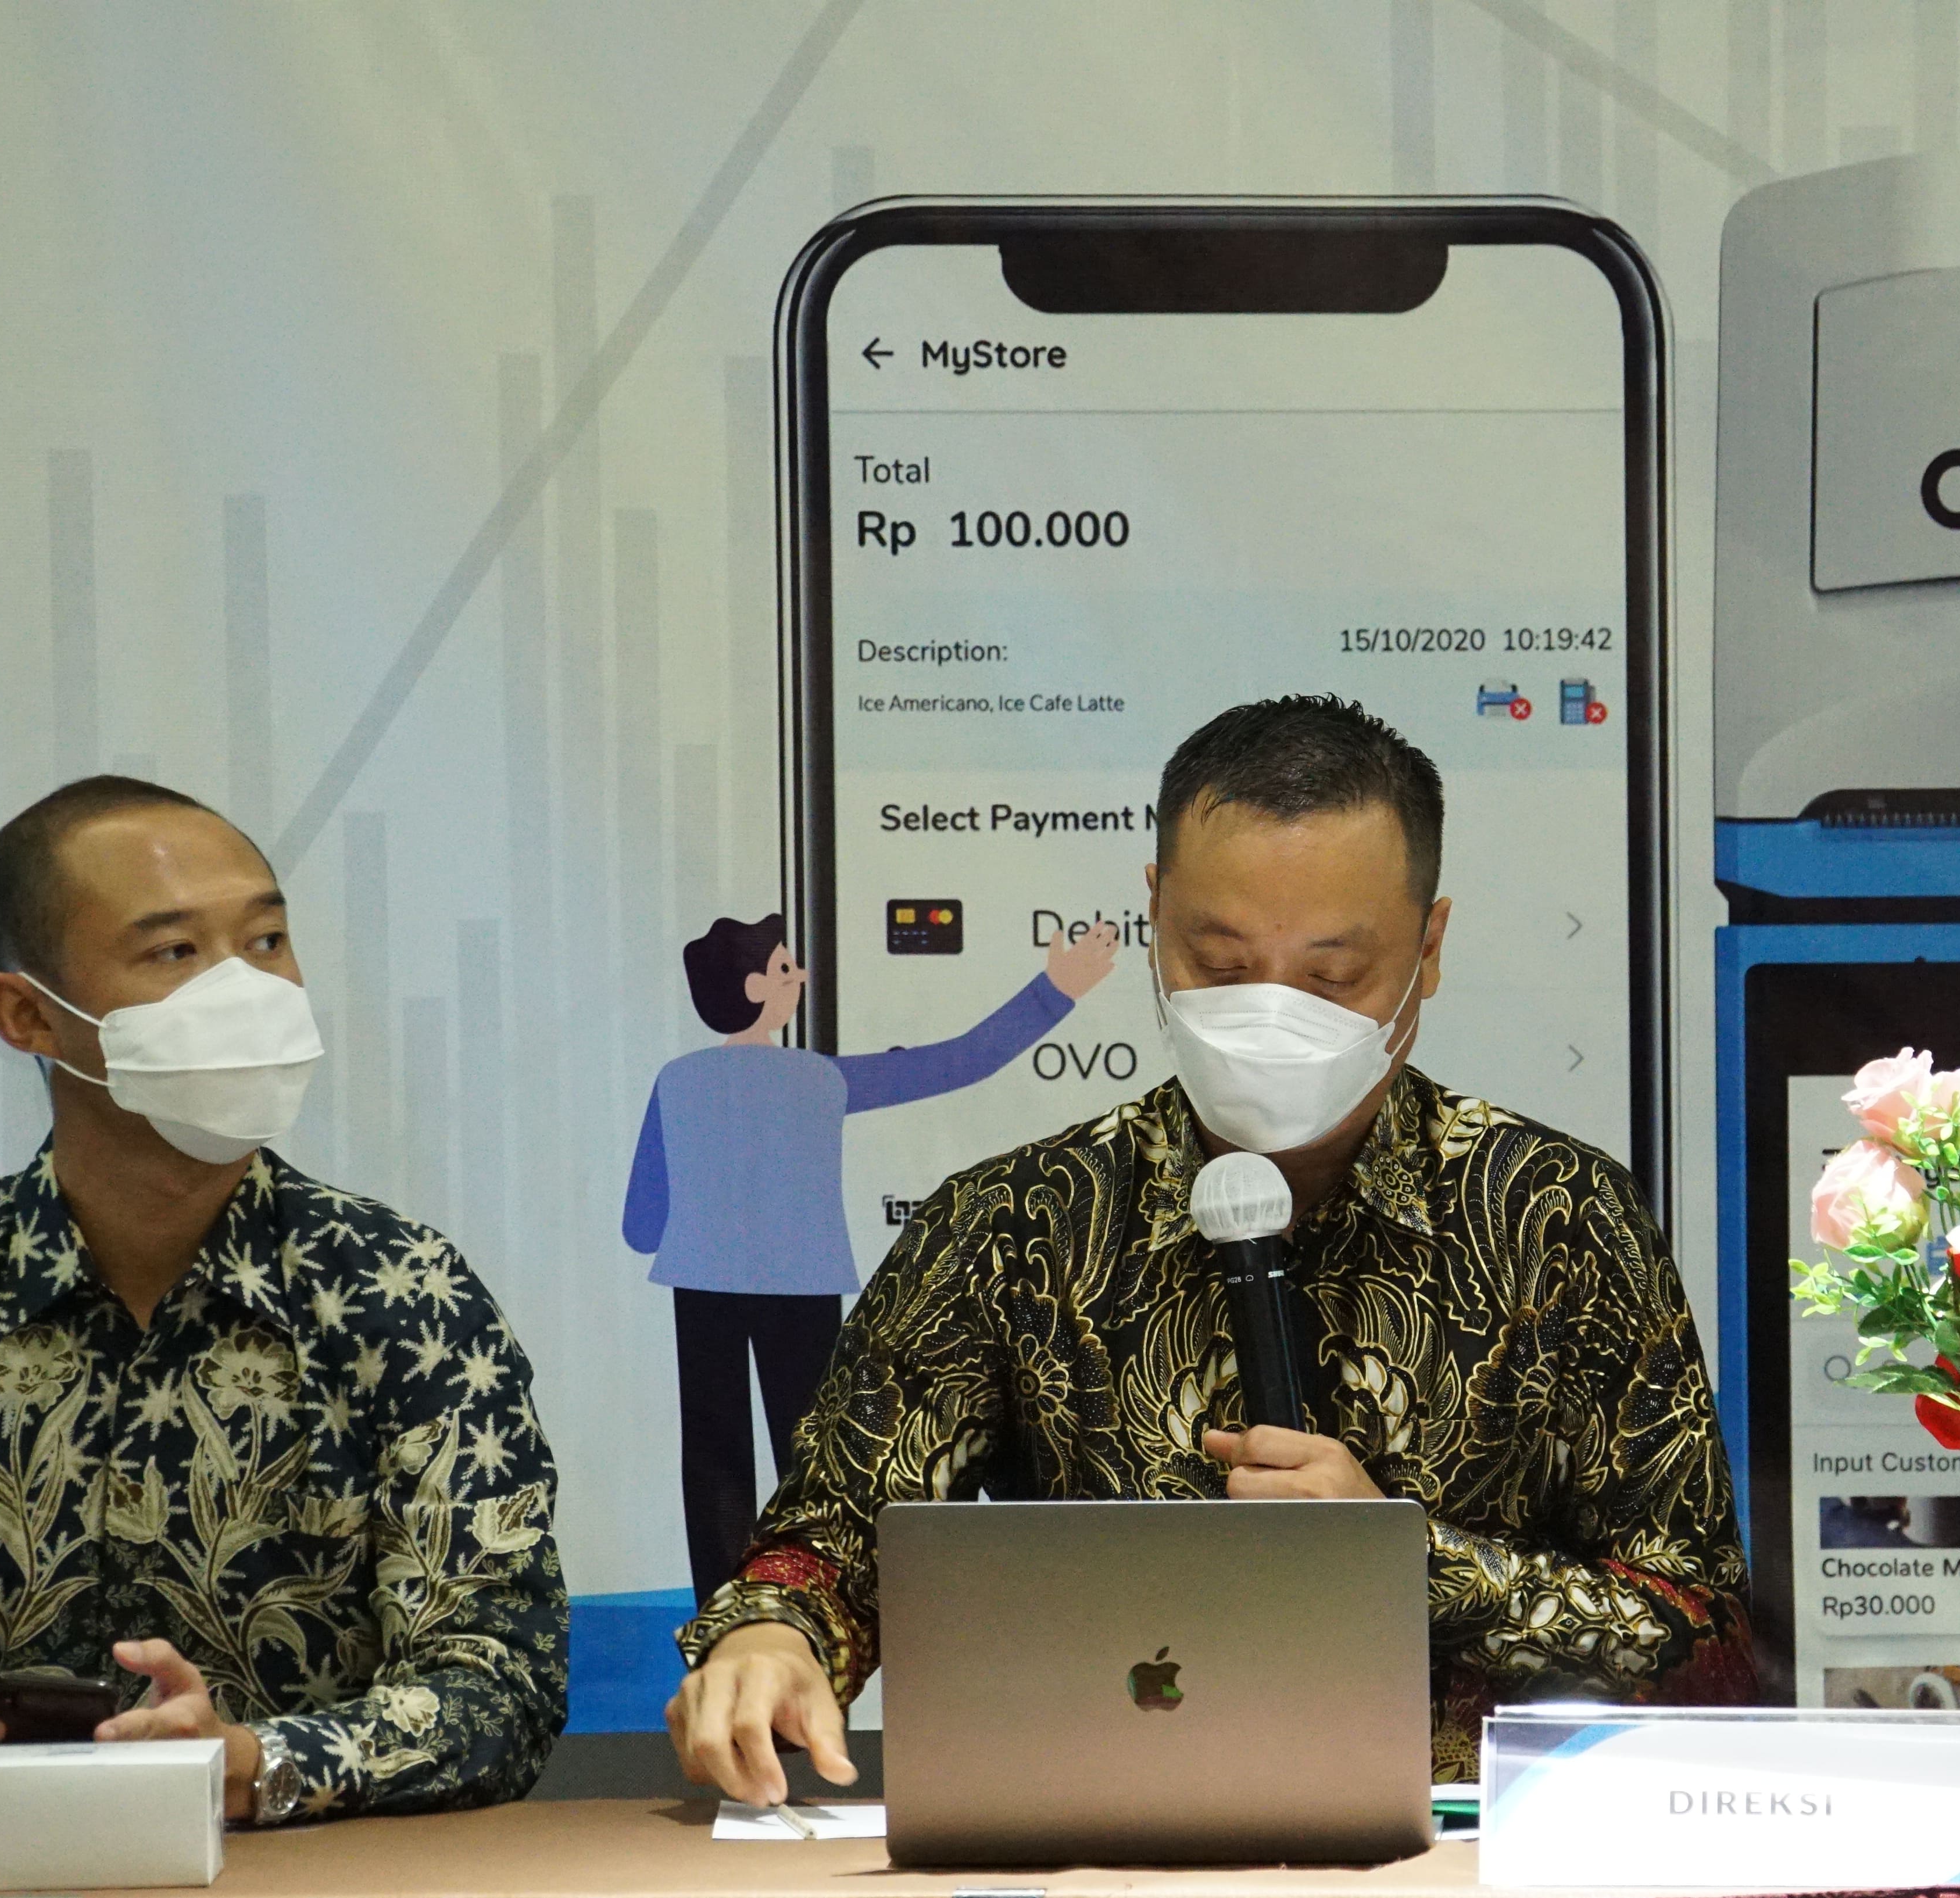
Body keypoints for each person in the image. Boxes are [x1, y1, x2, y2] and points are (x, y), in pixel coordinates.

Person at [667, 695, 1750, 1800]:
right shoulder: (1015, 1225)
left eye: (1331, 977)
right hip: (1096, 1845)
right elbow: (829, 1542)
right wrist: (771, 1638)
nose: (1270, 1016)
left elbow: (1706, 1640)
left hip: (1476, 1855)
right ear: (1153, 916)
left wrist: (1408, 1561)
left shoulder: (1557, 1217)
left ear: (1429, 949)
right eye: (1221, 964)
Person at [0, 775, 568, 1822]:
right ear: (28, 1014)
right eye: (175, 952)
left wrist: (252, 1764)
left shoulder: (405, 1296)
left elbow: (501, 1687)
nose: (247, 989)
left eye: (267, 942)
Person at [625, 909, 1119, 1604]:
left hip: (699, 1285)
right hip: (801, 1290)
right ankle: (807, 1607)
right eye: (786, 967)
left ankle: (721, 1621)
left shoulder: (677, 1081)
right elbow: (957, 1062)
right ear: (756, 987)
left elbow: (641, 1226)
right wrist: (1054, 991)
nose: (800, 975)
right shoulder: (819, 1079)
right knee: (810, 1450)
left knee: (714, 1456)